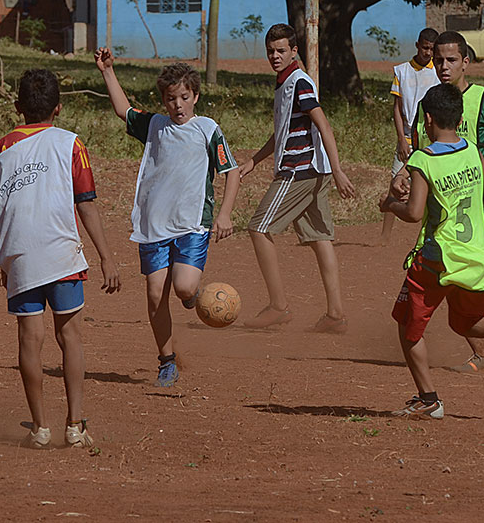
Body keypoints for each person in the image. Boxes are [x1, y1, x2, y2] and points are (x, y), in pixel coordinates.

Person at [381, 83, 484, 419]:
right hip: (472, 255)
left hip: (436, 259)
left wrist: (389, 204)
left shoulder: (423, 159)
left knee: (407, 326)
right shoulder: (471, 149)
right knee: (466, 322)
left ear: (427, 120)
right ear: (459, 119)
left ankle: (428, 400)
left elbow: (414, 212)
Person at [0, 69, 121, 449]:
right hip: (62, 254)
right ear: (58, 108)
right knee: (70, 336)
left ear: (17, 107)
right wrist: (106, 257)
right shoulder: (71, 144)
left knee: (30, 338)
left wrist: (4, 259)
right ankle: (75, 425)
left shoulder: (3, 147)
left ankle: (39, 428)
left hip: (21, 256)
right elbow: (86, 206)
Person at [392, 30, 484, 373]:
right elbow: (416, 150)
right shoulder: (430, 102)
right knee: (456, 279)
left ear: (466, 62)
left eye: (451, 60)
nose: (443, 66)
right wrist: (402, 176)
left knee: (475, 277)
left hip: (481, 207)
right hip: (438, 210)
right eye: (438, 60)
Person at [95, 49, 240, 388]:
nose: (178, 105)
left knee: (184, 286)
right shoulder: (155, 126)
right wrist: (107, 71)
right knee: (154, 294)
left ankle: (191, 294)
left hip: (192, 225)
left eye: (184, 97)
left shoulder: (208, 129)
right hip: (154, 226)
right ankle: (167, 360)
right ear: (163, 100)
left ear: (196, 97)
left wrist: (225, 214)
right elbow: (123, 110)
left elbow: (231, 172)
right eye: (171, 99)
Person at [241, 23, 357, 333]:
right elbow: (281, 131)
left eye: (281, 51)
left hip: (300, 172)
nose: (275, 56)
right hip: (311, 172)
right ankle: (335, 315)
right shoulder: (286, 84)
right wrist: (253, 161)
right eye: (270, 51)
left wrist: (338, 169)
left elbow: (325, 126)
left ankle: (278, 306)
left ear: (294, 51)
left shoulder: (299, 83)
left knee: (258, 228)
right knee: (321, 239)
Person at [379, 27, 440, 246]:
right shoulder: (402, 71)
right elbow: (397, 108)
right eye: (425, 48)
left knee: (431, 187)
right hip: (406, 137)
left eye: (432, 49)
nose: (428, 53)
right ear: (417, 45)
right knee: (396, 183)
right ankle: (384, 236)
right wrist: (402, 139)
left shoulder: (438, 72)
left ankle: (429, 236)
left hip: (430, 139)